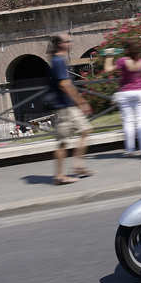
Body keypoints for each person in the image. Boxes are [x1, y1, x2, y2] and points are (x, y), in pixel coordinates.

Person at [49, 33, 93, 185]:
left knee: (86, 130)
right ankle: (59, 176)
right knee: (62, 142)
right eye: (68, 41)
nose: (70, 43)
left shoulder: (59, 60)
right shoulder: (58, 61)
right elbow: (64, 84)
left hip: (69, 106)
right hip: (63, 108)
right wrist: (81, 102)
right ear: (60, 44)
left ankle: (78, 165)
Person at [103, 39, 141, 156]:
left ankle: (130, 150)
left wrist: (109, 55)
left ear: (127, 50)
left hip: (125, 93)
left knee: (128, 121)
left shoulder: (122, 61)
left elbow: (107, 69)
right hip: (139, 92)